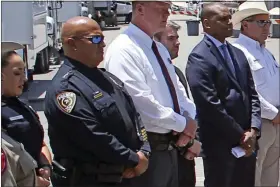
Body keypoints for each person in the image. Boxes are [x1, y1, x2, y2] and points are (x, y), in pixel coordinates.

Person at [44, 16, 151, 187]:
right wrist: (132, 159)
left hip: (124, 175)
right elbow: (92, 135)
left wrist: (144, 151)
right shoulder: (66, 89)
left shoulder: (107, 78)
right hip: (90, 180)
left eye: (102, 38)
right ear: (72, 44)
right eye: (95, 39)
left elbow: (135, 118)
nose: (102, 44)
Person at [104, 1, 198, 186]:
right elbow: (141, 105)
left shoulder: (159, 48)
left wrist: (189, 121)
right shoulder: (124, 49)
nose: (167, 14)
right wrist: (183, 124)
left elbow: (178, 91)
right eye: (161, 9)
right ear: (140, 9)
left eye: (168, 9)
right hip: (149, 149)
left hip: (170, 146)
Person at [186, 3, 262, 187]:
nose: (229, 22)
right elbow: (209, 105)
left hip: (247, 145)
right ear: (206, 24)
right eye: (223, 18)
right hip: (221, 145)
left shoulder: (238, 53)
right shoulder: (199, 57)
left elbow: (252, 94)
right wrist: (240, 135)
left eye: (230, 17)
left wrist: (254, 129)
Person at [231, 1, 280, 186]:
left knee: (271, 175)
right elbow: (246, 90)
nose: (267, 27)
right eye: (261, 22)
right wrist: (273, 114)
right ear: (245, 24)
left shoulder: (266, 53)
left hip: (275, 122)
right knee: (254, 174)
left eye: (268, 22)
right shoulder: (238, 51)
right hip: (258, 123)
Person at [154, 20, 200, 187]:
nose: (178, 42)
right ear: (156, 42)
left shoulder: (176, 72)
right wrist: (188, 142)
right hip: (166, 154)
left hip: (185, 157)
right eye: (172, 38)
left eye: (177, 38)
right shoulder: (153, 75)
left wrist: (194, 141)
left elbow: (188, 110)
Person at [1, 42, 52, 187]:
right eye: (17, 73)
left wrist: (45, 166)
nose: (23, 79)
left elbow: (40, 144)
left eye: (24, 72)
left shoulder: (23, 106)